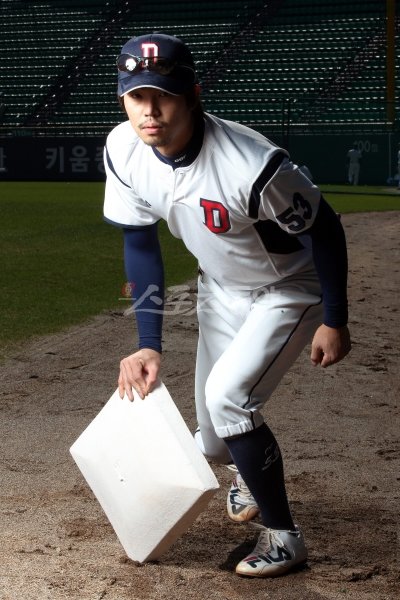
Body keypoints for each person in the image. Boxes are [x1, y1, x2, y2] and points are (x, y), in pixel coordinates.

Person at [103, 33, 351, 578]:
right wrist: (148, 342)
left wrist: (335, 318)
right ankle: (247, 469)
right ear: (122, 97)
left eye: (163, 95)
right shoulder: (123, 148)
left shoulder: (252, 164)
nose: (149, 110)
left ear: (191, 94)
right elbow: (139, 244)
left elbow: (326, 229)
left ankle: (285, 538)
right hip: (219, 288)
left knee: (228, 400)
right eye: (136, 95)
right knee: (213, 439)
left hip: (289, 288)